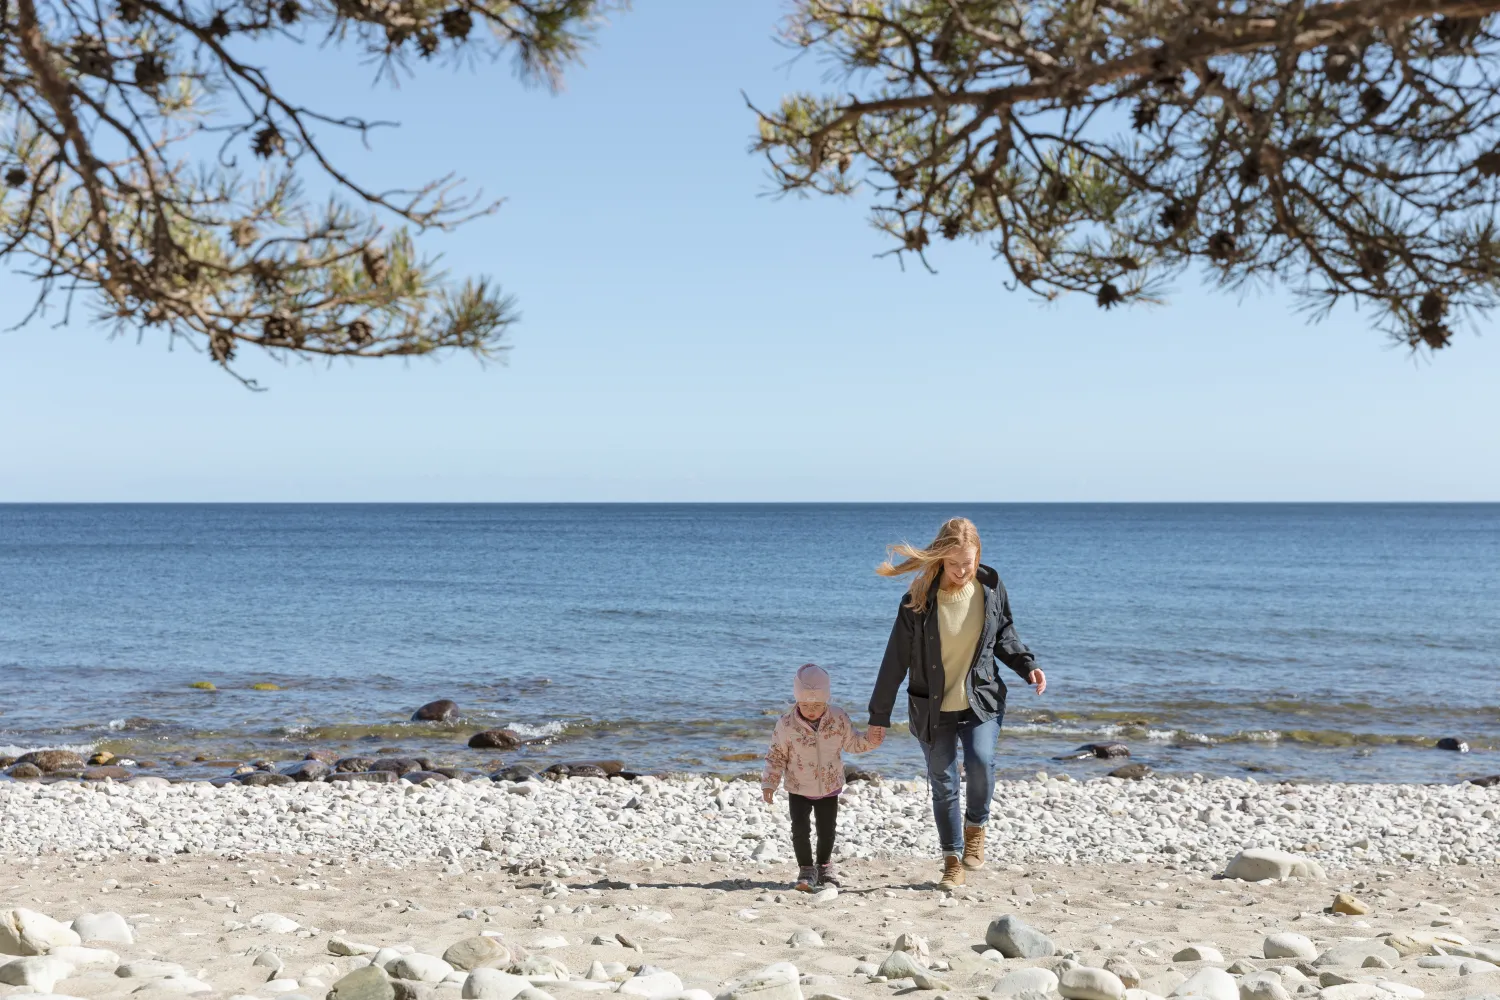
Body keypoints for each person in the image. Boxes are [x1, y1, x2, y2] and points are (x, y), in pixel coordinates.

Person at [867, 517, 1046, 890]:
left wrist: (1027, 666)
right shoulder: (917, 601)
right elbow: (894, 660)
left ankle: (976, 826)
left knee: (981, 761)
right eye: (954, 564)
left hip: (981, 699)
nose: (962, 571)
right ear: (939, 559)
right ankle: (952, 859)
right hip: (932, 709)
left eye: (969, 561)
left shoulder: (991, 586)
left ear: (978, 554)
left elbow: (1004, 635)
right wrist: (878, 716)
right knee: (944, 783)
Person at [762, 663, 884, 891]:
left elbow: (852, 742)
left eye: (817, 704)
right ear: (797, 699)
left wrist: (871, 740)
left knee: (827, 829)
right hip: (798, 786)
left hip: (829, 784)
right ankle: (806, 869)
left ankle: (825, 866)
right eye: (806, 704)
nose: (811, 709)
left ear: (826, 699)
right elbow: (776, 755)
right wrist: (769, 783)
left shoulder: (838, 718)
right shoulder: (786, 724)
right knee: (800, 830)